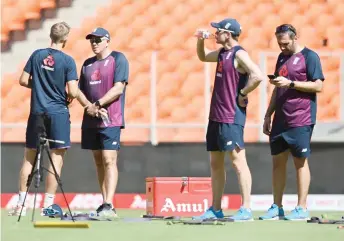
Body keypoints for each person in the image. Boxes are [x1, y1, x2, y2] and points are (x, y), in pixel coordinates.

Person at [194, 18, 264, 221]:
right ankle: (216, 208)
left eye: (218, 31)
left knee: (238, 161)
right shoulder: (223, 53)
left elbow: (257, 75)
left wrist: (243, 92)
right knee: (215, 163)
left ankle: (246, 209)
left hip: (231, 115)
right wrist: (200, 40)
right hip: (216, 115)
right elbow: (203, 56)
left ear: (228, 33)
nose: (215, 33)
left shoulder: (239, 53)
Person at [8, 22, 79, 216]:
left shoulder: (37, 54)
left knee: (29, 158)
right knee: (56, 160)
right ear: (65, 39)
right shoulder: (68, 61)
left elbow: (23, 80)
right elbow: (73, 90)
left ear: (50, 35)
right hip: (58, 113)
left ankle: (21, 206)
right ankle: (47, 206)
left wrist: (39, 85)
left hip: (37, 112)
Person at [259, 24, 324, 221]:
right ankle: (276, 206)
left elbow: (318, 86)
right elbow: (278, 88)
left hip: (301, 118)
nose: (282, 47)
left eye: (285, 43)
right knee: (277, 163)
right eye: (279, 44)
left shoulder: (310, 57)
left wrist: (292, 84)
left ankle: (301, 207)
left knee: (300, 163)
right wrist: (268, 115)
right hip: (280, 119)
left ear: (295, 38)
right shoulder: (282, 57)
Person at [76, 28, 129, 217]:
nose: (94, 43)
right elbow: (78, 90)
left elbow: (118, 88)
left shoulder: (118, 59)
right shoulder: (87, 64)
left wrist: (97, 104)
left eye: (98, 40)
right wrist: (89, 106)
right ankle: (104, 201)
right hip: (91, 119)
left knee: (109, 159)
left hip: (111, 118)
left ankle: (109, 203)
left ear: (107, 40)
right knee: (98, 161)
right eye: (91, 40)